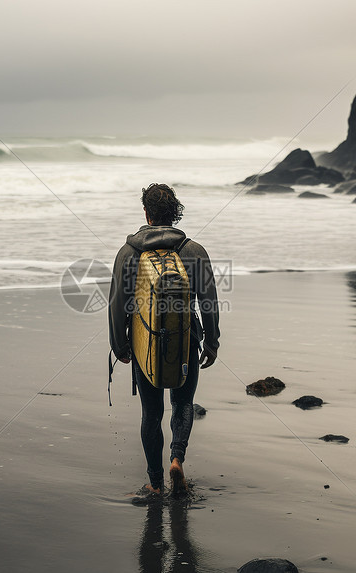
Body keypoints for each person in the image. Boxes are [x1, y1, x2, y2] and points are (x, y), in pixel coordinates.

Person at [109, 183, 221, 495]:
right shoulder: (194, 251)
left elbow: (117, 304)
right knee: (183, 402)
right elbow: (208, 301)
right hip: (187, 340)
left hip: (145, 345)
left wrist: (119, 345)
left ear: (146, 212)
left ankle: (156, 484)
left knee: (152, 413)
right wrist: (212, 342)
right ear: (175, 214)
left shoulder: (129, 253)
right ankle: (177, 459)